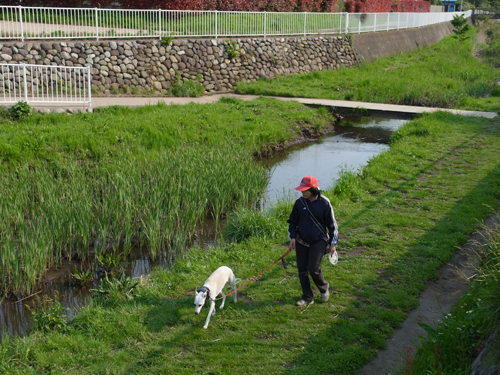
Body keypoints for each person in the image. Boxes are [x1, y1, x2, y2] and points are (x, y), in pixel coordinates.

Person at [287, 175, 338, 306]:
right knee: (302, 270)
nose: (302, 192)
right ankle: (307, 297)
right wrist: (292, 237)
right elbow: (292, 222)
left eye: (305, 190)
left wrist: (332, 244)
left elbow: (332, 225)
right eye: (301, 190)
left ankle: (324, 288)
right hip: (301, 241)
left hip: (318, 241)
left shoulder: (325, 203)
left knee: (313, 268)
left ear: (313, 189)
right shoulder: (299, 203)